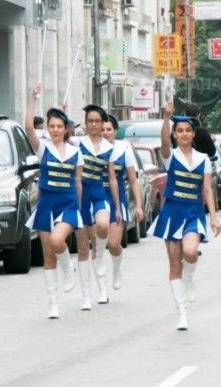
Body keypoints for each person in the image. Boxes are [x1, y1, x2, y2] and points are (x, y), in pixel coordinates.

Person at [147, 101, 221, 330]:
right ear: (175, 135)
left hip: (193, 213)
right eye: (180, 131)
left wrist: (214, 216)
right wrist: (166, 117)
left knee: (190, 252)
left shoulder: (203, 159)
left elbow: (207, 189)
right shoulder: (170, 156)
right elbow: (163, 143)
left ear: (193, 133)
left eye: (188, 130)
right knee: (173, 265)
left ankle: (190, 277)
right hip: (172, 213)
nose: (184, 134)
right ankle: (182, 313)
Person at [24, 85, 83, 319]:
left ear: (65, 129)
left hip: (68, 204)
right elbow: (29, 126)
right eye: (52, 126)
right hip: (47, 205)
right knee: (48, 255)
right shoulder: (43, 149)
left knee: (59, 241)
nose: (56, 130)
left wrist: (79, 208)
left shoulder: (75, 152)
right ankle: (53, 303)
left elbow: (78, 182)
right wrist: (33, 99)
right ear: (47, 129)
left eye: (59, 126)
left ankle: (68, 266)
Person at [70, 104, 122, 311]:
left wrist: (117, 207)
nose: (93, 125)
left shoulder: (110, 148)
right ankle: (87, 295)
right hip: (80, 197)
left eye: (97, 121)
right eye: (90, 121)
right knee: (83, 249)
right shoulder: (76, 143)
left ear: (102, 124)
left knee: (102, 227)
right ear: (86, 123)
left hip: (99, 194)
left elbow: (113, 179)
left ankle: (100, 258)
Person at [97, 115, 144, 302]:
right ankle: (102, 290)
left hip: (117, 201)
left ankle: (117, 268)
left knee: (113, 244)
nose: (105, 132)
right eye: (102, 129)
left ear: (115, 131)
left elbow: (133, 180)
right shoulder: (92, 148)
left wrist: (139, 206)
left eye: (109, 129)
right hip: (96, 199)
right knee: (97, 248)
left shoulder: (123, 148)